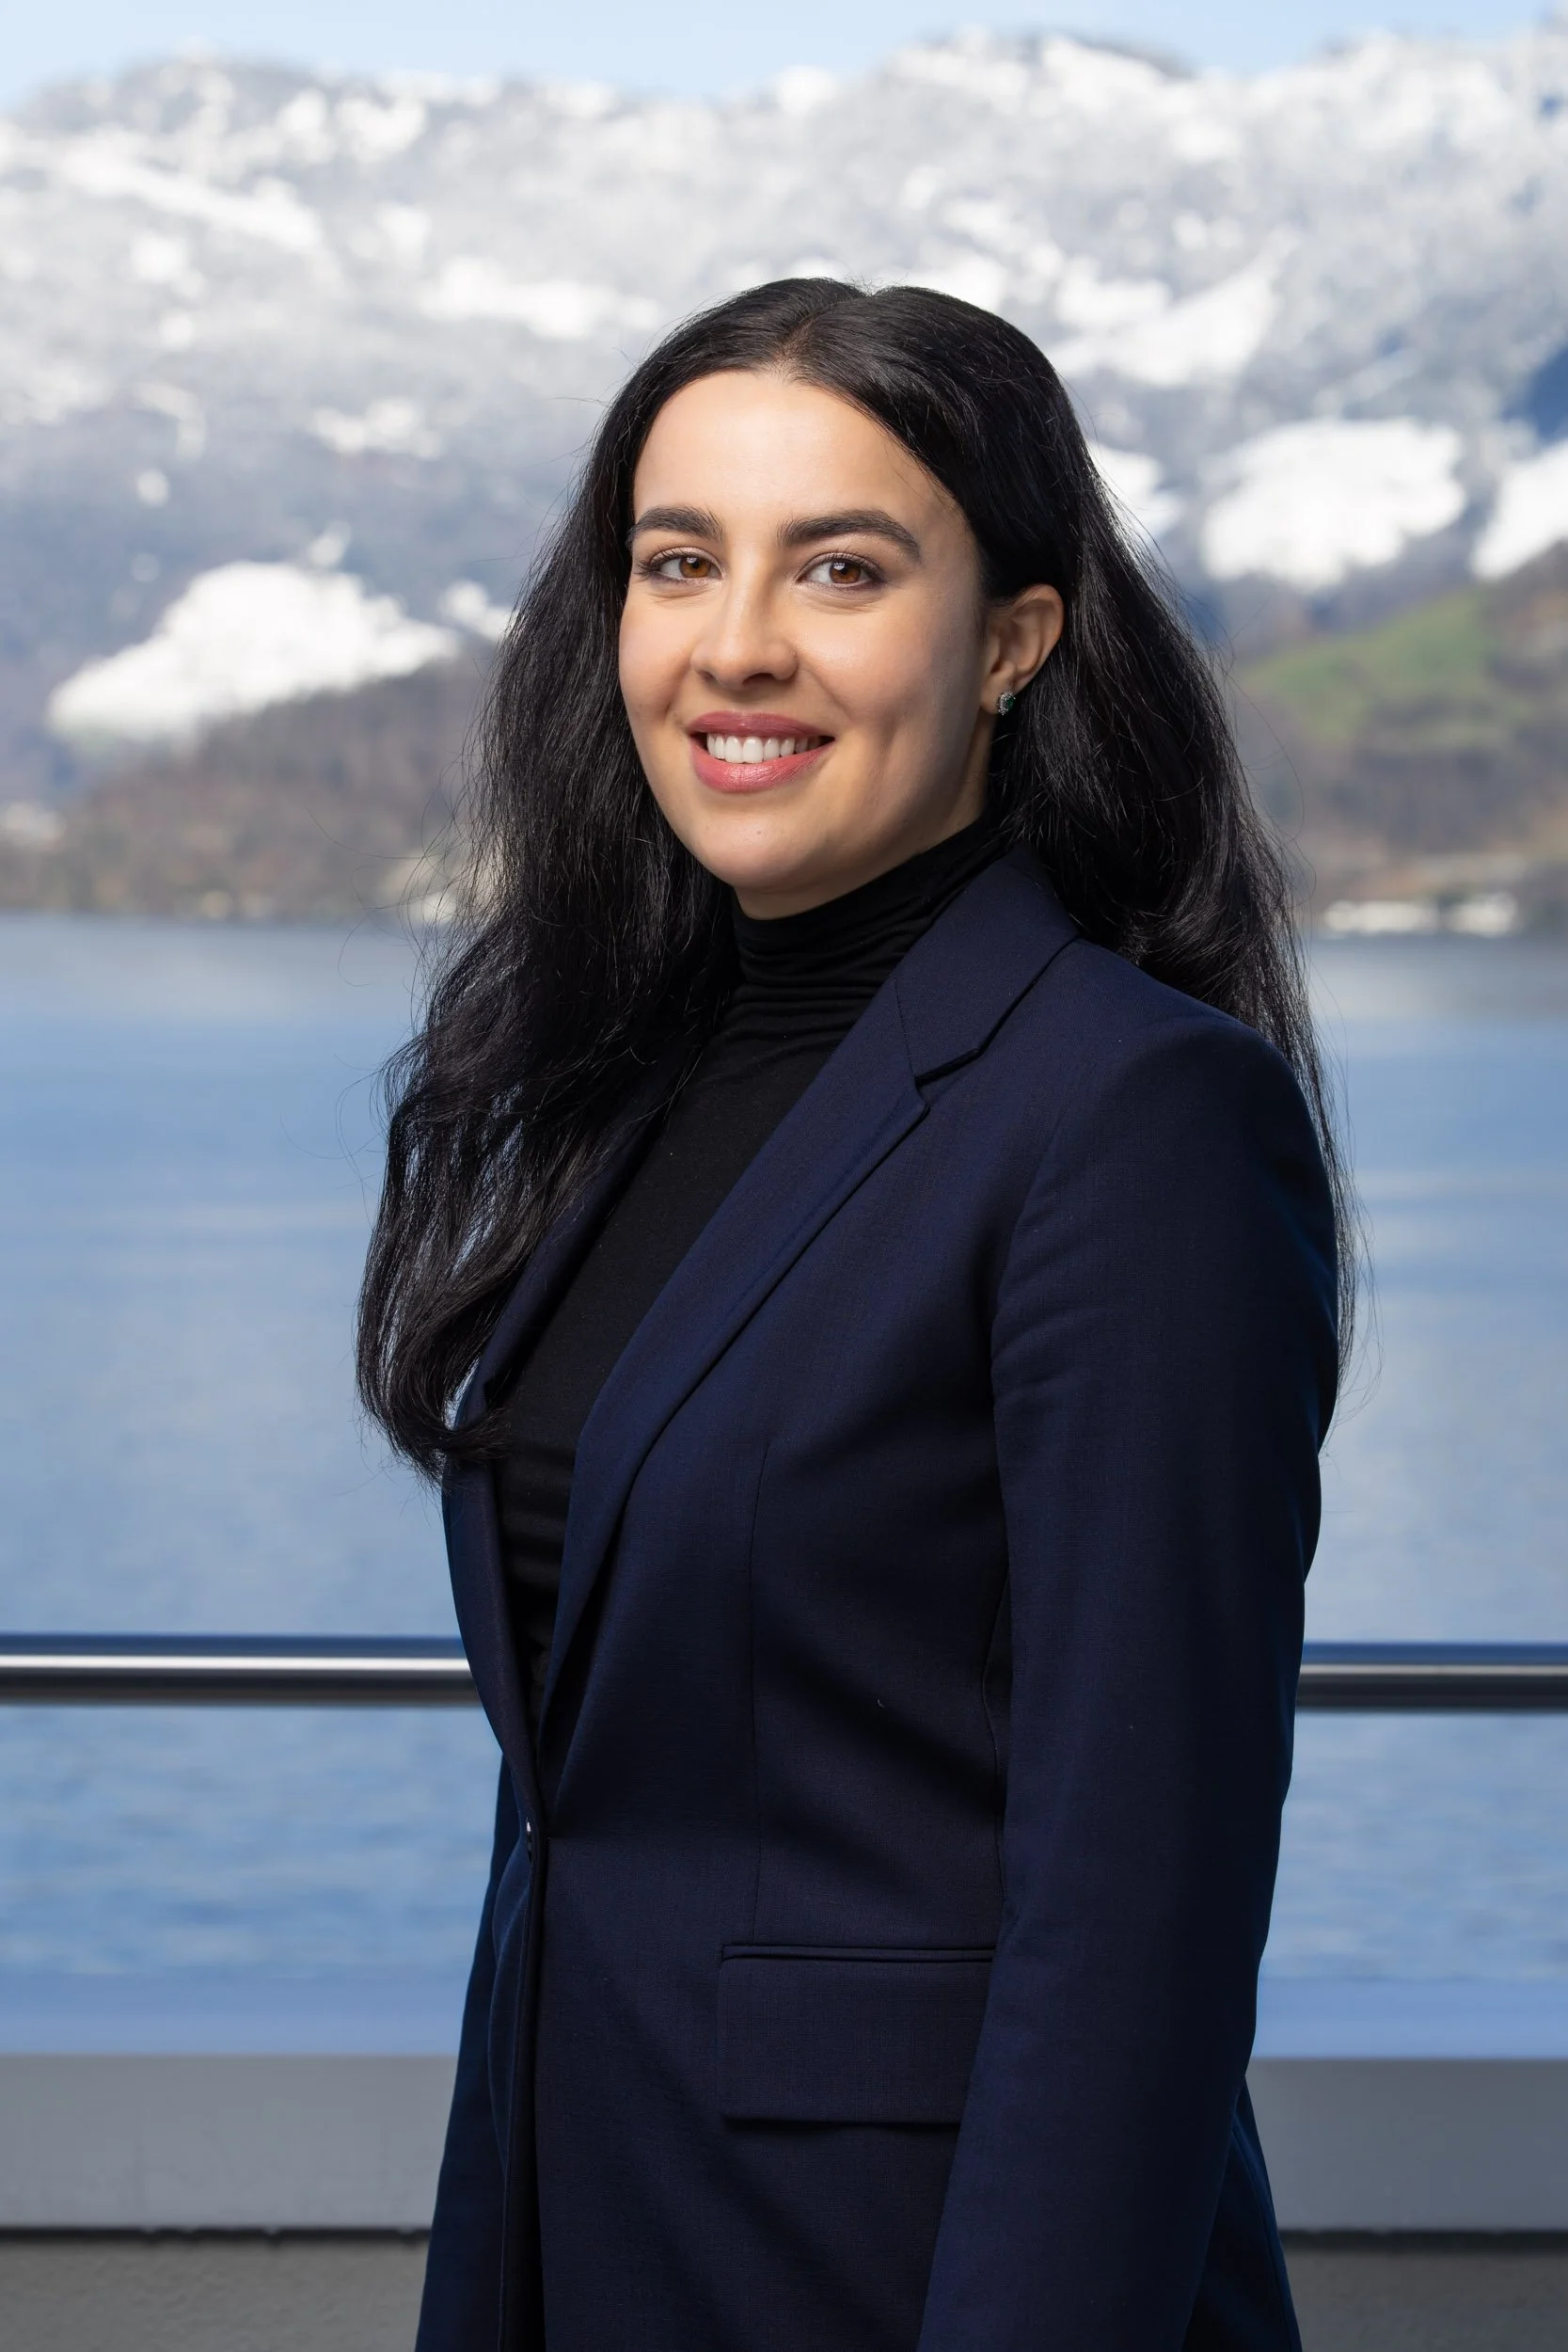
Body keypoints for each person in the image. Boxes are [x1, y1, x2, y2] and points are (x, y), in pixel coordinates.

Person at [357, 278, 1346, 2352]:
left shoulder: (1134, 1117)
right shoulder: (630, 1076)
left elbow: (1135, 1920)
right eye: (673, 560)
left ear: (1011, 637)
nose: (736, 642)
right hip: (583, 2238)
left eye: (841, 567)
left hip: (910, 2281)